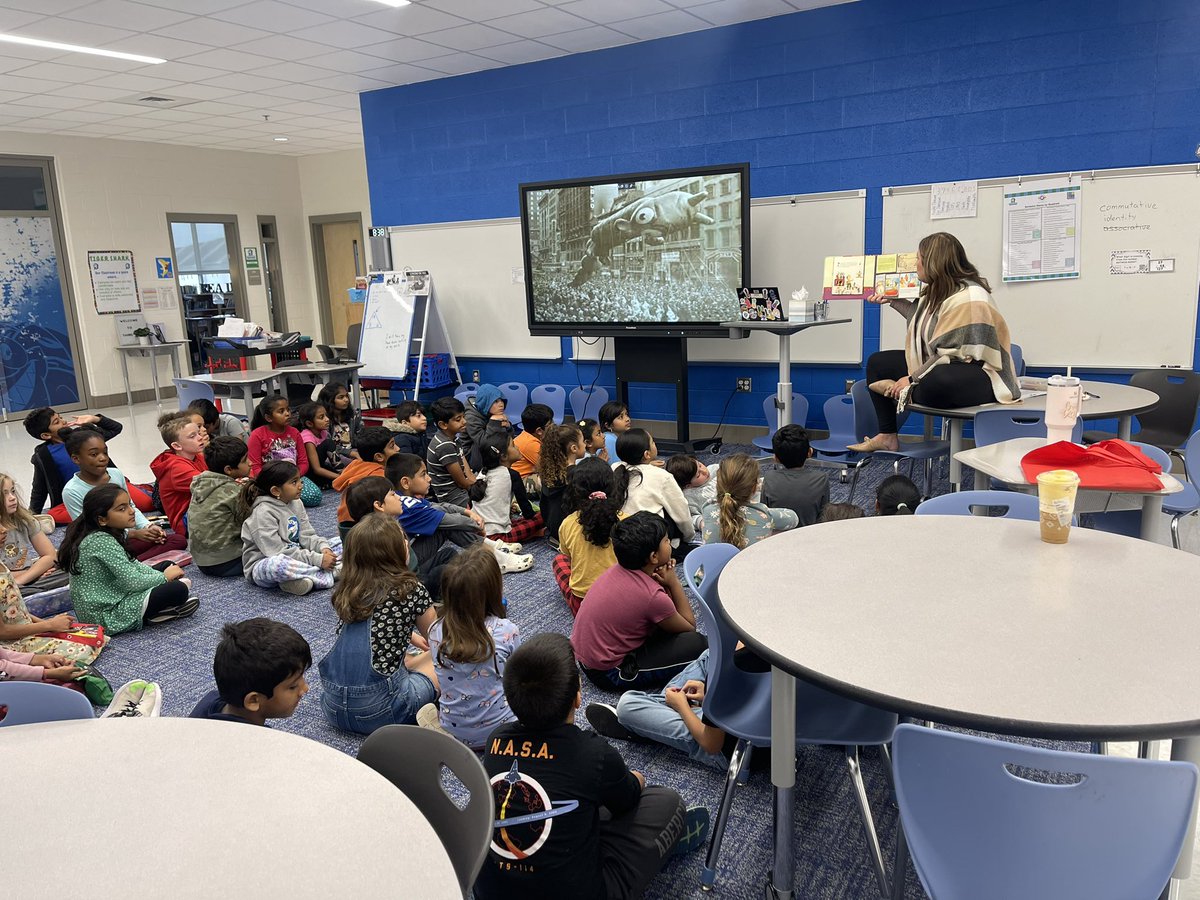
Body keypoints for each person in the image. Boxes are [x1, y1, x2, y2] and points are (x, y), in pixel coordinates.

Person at [475, 632, 706, 900]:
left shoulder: (496, 740)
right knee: (667, 803)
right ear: (577, 697)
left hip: (489, 893)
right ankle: (660, 845)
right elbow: (627, 800)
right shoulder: (592, 753)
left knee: (578, 804)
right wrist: (635, 777)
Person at [851, 232, 1020, 453]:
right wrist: (893, 301)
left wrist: (910, 379)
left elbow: (948, 354)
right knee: (878, 363)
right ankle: (887, 436)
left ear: (933, 262)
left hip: (979, 373)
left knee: (938, 382)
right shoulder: (936, 292)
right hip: (943, 363)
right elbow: (921, 322)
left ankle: (904, 391)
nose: (916, 264)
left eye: (919, 258)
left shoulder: (969, 297)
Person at [318, 512, 439, 734]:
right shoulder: (410, 589)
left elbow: (370, 629)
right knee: (441, 659)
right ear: (396, 552)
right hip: (384, 712)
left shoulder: (349, 591)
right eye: (403, 540)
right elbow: (438, 641)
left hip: (333, 708)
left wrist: (409, 635)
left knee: (407, 657)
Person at [571, 512, 707, 692]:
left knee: (664, 624)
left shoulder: (619, 568)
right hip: (609, 672)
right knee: (699, 645)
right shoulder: (651, 595)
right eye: (666, 541)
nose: (670, 543)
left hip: (586, 659)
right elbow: (689, 627)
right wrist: (673, 582)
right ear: (653, 557)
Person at [58, 484, 198, 634]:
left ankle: (160, 610)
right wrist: (164, 578)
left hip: (115, 592)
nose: (132, 511)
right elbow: (133, 581)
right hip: (106, 616)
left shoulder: (108, 533)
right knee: (178, 588)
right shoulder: (100, 541)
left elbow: (134, 565)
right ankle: (156, 613)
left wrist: (163, 575)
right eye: (122, 509)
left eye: (129, 505)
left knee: (167, 565)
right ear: (102, 519)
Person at [422, 545, 520, 749]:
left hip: (454, 730)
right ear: (494, 589)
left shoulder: (434, 630)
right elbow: (518, 679)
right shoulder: (506, 630)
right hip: (503, 730)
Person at [387, 453, 534, 575]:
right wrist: (476, 525)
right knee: (447, 525)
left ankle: (494, 548)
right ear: (405, 482)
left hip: (406, 558)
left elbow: (439, 507)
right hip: (405, 569)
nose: (429, 478)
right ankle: (498, 557)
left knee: (444, 523)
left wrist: (467, 512)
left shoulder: (406, 499)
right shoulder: (409, 506)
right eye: (423, 474)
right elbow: (449, 519)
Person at [587, 650, 730, 771]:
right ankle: (652, 717)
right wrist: (707, 695)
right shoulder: (737, 659)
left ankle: (644, 724)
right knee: (711, 654)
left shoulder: (727, 677)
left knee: (626, 705)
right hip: (728, 719)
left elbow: (711, 744)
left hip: (720, 745)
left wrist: (682, 706)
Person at [62, 429, 188, 562]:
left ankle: (128, 564)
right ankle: (129, 565)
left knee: (176, 540)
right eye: (94, 454)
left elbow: (130, 506)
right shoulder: (72, 491)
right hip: (101, 544)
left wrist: (148, 527)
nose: (103, 458)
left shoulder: (115, 474)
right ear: (76, 458)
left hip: (125, 539)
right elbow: (88, 531)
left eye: (105, 452)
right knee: (101, 556)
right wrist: (133, 534)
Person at [240, 461, 341, 596]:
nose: (300, 485)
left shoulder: (296, 502)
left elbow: (307, 535)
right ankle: (332, 572)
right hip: (264, 562)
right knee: (277, 565)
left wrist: (324, 549)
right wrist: (317, 559)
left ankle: (303, 579)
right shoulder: (262, 513)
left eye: (299, 480)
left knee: (342, 542)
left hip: (298, 554)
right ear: (276, 491)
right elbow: (276, 552)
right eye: (294, 482)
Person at [189, 618, 311, 726]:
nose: (305, 688)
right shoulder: (259, 741)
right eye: (292, 686)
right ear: (253, 700)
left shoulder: (210, 701)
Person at [23, 407, 124, 522]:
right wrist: (32, 515)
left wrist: (94, 419)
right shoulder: (43, 455)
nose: (64, 421)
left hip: (108, 489)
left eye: (60, 417)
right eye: (57, 422)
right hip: (80, 498)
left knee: (138, 500)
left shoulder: (84, 436)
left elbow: (116, 428)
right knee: (53, 515)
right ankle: (105, 511)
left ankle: (101, 512)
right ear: (46, 435)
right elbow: (39, 489)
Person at [0, 563, 107, 667]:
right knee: (83, 649)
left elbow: (19, 610)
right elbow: (3, 632)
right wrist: (49, 625)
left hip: (27, 631)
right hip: (11, 644)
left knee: (91, 636)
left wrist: (48, 624)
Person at [555, 457, 624, 615]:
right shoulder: (626, 520)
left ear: (576, 490)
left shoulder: (567, 523)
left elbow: (569, 558)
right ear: (612, 487)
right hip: (621, 603)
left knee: (558, 560)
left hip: (583, 607)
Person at [612, 429, 695, 548]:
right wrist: (688, 538)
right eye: (652, 442)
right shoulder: (662, 476)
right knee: (672, 508)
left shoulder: (615, 468)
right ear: (647, 454)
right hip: (649, 539)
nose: (655, 443)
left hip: (620, 536)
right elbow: (682, 516)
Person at [701, 453, 798, 548]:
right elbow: (793, 519)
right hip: (751, 558)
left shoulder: (708, 508)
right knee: (777, 531)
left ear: (718, 484)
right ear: (755, 487)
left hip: (713, 558)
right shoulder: (762, 513)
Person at [188, 435, 251, 577]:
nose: (250, 463)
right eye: (245, 460)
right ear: (228, 469)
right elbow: (253, 522)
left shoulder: (201, 484)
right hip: (229, 561)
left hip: (202, 563)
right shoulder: (233, 492)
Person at [246, 394, 322, 507]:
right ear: (268, 418)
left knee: (314, 496)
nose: (287, 413)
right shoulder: (257, 435)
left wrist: (294, 478)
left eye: (288, 409)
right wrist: (272, 480)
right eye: (281, 411)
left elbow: (303, 462)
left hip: (294, 478)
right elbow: (255, 466)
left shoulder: (295, 432)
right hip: (269, 481)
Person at [469, 433, 544, 545]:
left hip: (477, 534)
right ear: (504, 456)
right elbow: (527, 512)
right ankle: (528, 535)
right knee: (544, 515)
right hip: (498, 536)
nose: (517, 448)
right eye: (513, 445)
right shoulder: (512, 475)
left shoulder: (482, 473)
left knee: (517, 521)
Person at [0, 473, 62, 595]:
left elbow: (50, 555)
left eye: (13, 491)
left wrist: (24, 578)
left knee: (72, 566)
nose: (12, 498)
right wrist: (33, 576)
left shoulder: (24, 520)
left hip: (27, 575)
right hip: (6, 583)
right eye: (4, 494)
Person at [149, 414, 208, 536]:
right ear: (176, 446)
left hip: (197, 507)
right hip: (184, 520)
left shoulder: (196, 456)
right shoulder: (176, 468)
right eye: (192, 436)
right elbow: (211, 485)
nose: (200, 438)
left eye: (198, 433)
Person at [760, 424, 829, 526]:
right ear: (809, 452)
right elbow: (824, 517)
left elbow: (764, 516)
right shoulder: (821, 479)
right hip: (811, 534)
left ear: (776, 458)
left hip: (777, 534)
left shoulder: (769, 478)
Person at [332, 426, 400, 523]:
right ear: (379, 457)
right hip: (364, 527)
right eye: (392, 446)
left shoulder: (356, 464)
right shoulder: (379, 478)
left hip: (345, 525)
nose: (398, 448)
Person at [538, 421, 585, 548]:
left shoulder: (549, 472)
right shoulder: (577, 474)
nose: (585, 444)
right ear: (574, 448)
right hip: (569, 531)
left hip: (552, 528)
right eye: (583, 441)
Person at [426, 396, 475, 508]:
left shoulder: (454, 438)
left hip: (461, 491)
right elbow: (461, 482)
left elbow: (467, 471)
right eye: (458, 419)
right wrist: (478, 490)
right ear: (443, 424)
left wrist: (476, 483)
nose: (464, 421)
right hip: (453, 498)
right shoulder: (444, 445)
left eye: (463, 416)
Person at [462, 383, 513, 469]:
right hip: (471, 454)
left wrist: (508, 427)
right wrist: (493, 422)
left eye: (501, 400)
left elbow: (509, 438)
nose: (501, 405)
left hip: (488, 448)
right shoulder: (471, 417)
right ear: (485, 402)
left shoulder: (492, 412)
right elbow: (484, 443)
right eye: (496, 401)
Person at [295, 400, 344, 489]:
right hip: (309, 473)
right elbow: (316, 469)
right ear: (309, 423)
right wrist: (341, 477)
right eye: (321, 417)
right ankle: (342, 473)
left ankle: (339, 476)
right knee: (329, 443)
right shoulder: (307, 438)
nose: (327, 419)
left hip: (320, 466)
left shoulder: (323, 432)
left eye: (326, 415)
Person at [513, 402, 554, 491]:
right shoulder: (530, 444)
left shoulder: (530, 435)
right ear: (539, 431)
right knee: (554, 479)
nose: (554, 426)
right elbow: (549, 467)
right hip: (520, 481)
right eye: (550, 424)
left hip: (530, 474)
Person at [664, 453, 718, 520]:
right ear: (688, 485)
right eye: (698, 475)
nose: (704, 471)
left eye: (700, 465)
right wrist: (700, 521)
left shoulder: (715, 469)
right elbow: (692, 517)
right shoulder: (689, 497)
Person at [318, 382, 360, 461]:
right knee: (356, 464)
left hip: (353, 450)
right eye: (341, 397)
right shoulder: (324, 419)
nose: (346, 400)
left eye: (346, 396)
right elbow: (326, 445)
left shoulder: (353, 415)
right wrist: (349, 453)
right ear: (330, 400)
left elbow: (360, 435)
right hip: (332, 454)